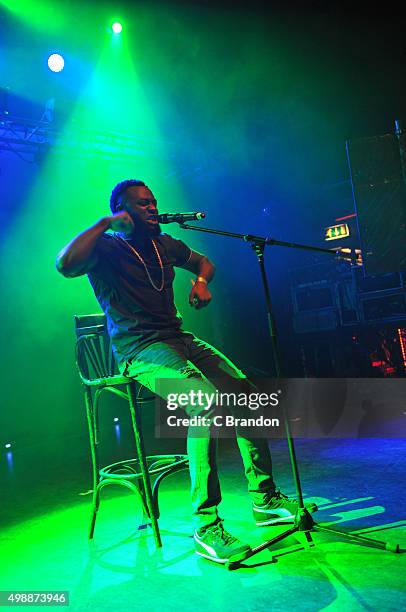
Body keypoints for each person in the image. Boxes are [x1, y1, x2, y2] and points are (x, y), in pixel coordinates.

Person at [56, 179, 317, 564]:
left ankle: (264, 500)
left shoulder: (164, 246)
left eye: (153, 202)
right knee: (207, 406)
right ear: (122, 211)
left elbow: (204, 262)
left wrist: (200, 281)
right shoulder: (107, 249)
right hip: (139, 351)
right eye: (142, 204)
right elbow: (64, 265)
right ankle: (205, 525)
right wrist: (103, 223)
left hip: (177, 339)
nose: (152, 208)